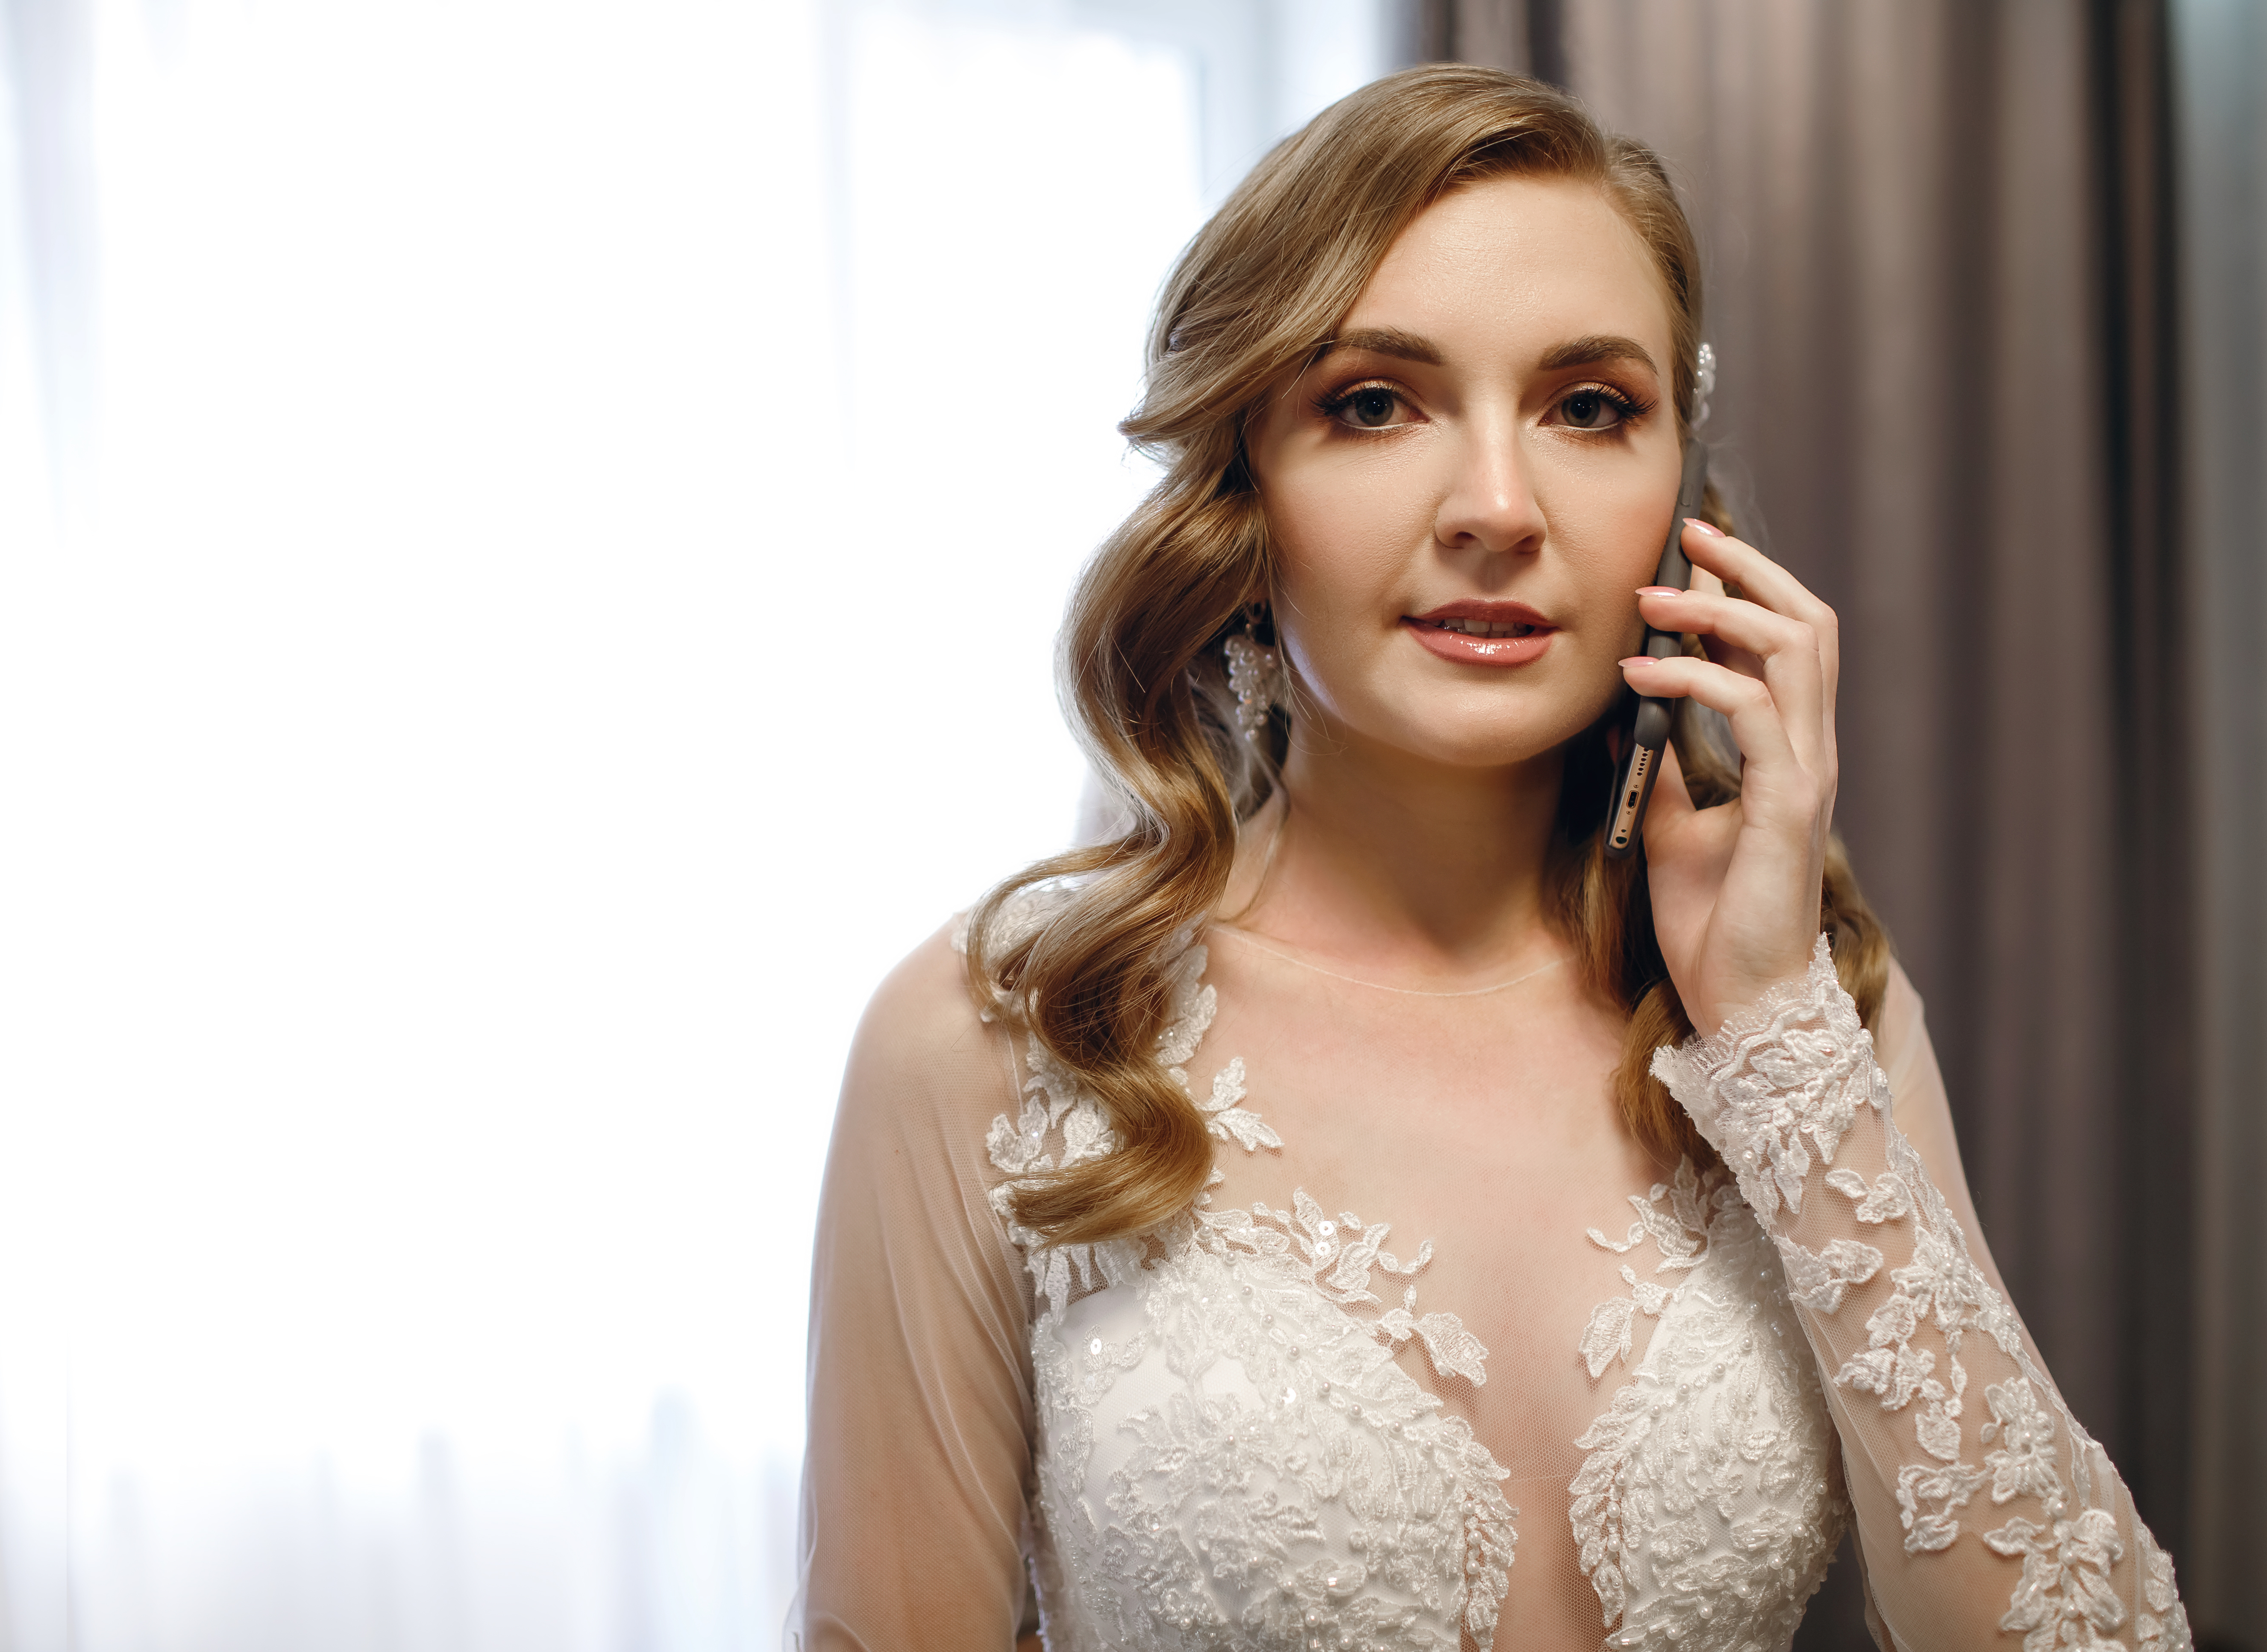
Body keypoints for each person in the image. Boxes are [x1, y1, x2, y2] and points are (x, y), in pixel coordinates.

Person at [793, 64, 2189, 1652]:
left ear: (1677, 490)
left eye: (1589, 407)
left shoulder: (1820, 1017)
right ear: (1242, 486)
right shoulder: (1001, 1043)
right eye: (1375, 401)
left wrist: (1779, 1034)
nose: (1501, 507)